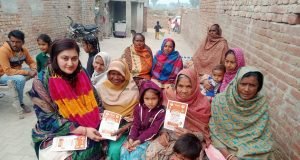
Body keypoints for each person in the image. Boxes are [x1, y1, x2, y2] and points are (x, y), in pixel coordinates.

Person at [28, 38, 105, 159]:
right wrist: (83, 130)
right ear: (55, 58)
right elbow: (47, 120)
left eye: (74, 58)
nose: (70, 63)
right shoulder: (41, 81)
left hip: (89, 119)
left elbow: (95, 98)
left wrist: (99, 113)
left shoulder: (81, 72)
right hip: (56, 129)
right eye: (65, 58)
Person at [209, 66, 274, 159]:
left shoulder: (261, 102)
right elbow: (214, 131)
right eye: (243, 84)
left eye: (252, 85)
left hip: (252, 147)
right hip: (224, 145)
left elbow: (264, 135)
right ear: (236, 83)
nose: (246, 89)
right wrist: (229, 156)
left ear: (259, 87)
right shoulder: (220, 100)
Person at [146, 68, 211, 160]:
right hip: (169, 137)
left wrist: (190, 133)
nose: (184, 90)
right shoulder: (169, 96)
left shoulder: (203, 104)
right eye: (180, 86)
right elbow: (161, 119)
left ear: (196, 85)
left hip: (190, 143)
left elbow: (204, 134)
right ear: (176, 85)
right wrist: (163, 133)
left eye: (189, 86)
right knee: (151, 154)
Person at [97, 59, 139, 160]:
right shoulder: (101, 87)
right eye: (112, 73)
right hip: (104, 124)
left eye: (119, 74)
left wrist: (125, 127)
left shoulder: (132, 89)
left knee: (114, 151)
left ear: (125, 74)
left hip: (126, 127)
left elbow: (137, 116)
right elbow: (96, 108)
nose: (115, 77)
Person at [120, 80, 165, 160]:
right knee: (124, 150)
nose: (150, 102)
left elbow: (153, 130)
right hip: (135, 136)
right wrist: (131, 139)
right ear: (142, 98)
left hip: (149, 139)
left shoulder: (160, 112)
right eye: (147, 98)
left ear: (159, 98)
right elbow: (135, 124)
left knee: (135, 156)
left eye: (154, 98)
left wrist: (138, 141)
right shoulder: (138, 108)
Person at [0, 30, 37, 118]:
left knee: (39, 71)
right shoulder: (3, 50)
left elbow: (31, 62)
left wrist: (34, 68)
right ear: (9, 40)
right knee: (20, 79)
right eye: (12, 41)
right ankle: (20, 103)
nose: (14, 44)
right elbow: (8, 71)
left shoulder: (24, 50)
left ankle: (38, 96)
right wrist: (27, 72)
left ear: (23, 42)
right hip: (2, 75)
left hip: (16, 72)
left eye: (18, 42)